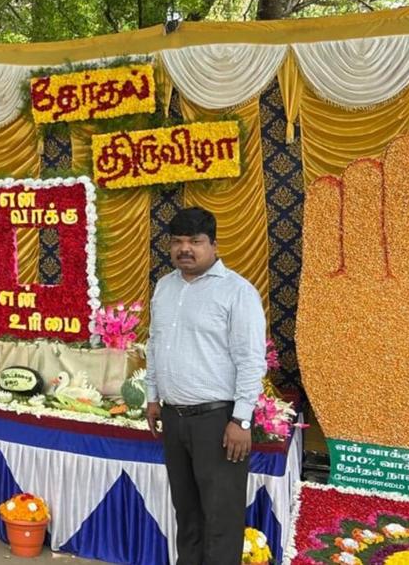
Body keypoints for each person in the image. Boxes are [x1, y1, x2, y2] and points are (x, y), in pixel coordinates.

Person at [145, 207, 266, 565]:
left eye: (195, 242)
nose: (186, 249)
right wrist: (153, 397)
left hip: (218, 422)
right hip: (174, 417)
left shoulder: (237, 292)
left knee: (221, 519)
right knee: (187, 513)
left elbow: (250, 360)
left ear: (213, 245)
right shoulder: (165, 287)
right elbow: (155, 344)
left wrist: (241, 419)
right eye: (178, 241)